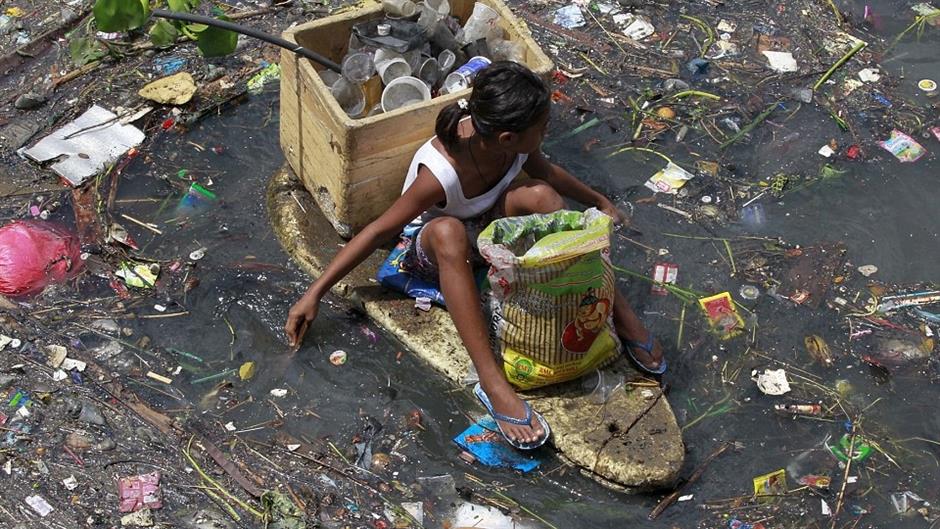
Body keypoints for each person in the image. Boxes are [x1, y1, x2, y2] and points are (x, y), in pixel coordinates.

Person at [285, 61, 664, 448]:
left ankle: (621, 314)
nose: (545, 133)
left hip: (485, 228)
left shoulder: (516, 147)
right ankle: (491, 381)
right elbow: (379, 230)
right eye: (542, 128)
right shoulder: (440, 174)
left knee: (544, 198)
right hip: (436, 248)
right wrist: (313, 293)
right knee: (450, 233)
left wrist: (598, 201)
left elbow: (547, 174)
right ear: (505, 137)